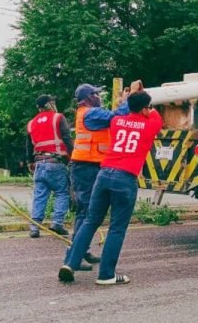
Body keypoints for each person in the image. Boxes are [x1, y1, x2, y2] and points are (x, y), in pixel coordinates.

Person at [59, 90, 162, 285]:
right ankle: (106, 274)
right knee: (116, 228)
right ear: (144, 109)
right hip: (125, 178)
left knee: (90, 221)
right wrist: (148, 106)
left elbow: (124, 114)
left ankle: (70, 263)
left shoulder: (116, 122)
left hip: (104, 174)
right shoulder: (150, 124)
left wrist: (127, 101)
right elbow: (155, 115)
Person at [68, 83, 130, 265]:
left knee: (88, 212)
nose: (99, 96)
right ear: (88, 97)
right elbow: (116, 117)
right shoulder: (90, 113)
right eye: (96, 94)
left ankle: (80, 251)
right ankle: (75, 255)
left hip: (90, 167)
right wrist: (126, 102)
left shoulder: (88, 113)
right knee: (87, 212)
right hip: (86, 168)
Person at [26, 94, 73, 238]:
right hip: (56, 163)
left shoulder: (31, 123)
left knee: (40, 195)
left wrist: (30, 162)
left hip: (39, 164)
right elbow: (66, 138)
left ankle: (35, 227)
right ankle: (57, 223)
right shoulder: (58, 118)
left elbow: (28, 145)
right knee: (62, 193)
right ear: (49, 104)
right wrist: (73, 158)